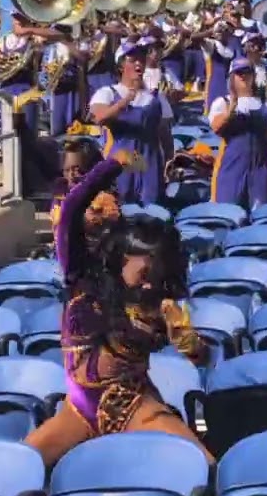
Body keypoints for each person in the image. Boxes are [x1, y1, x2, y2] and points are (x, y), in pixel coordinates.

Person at [24, 149, 215, 467]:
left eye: (156, 277)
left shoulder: (159, 303)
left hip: (133, 405)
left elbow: (206, 359)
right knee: (20, 465)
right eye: (143, 275)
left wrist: (188, 340)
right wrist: (112, 166)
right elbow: (71, 209)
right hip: (79, 411)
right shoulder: (82, 277)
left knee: (202, 464)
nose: (150, 284)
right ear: (120, 262)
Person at [89, 40, 174, 205]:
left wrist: (170, 160)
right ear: (121, 66)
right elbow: (99, 117)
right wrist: (125, 100)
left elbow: (164, 132)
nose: (138, 63)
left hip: (150, 161)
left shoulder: (156, 97)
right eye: (132, 60)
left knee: (151, 209)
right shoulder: (107, 93)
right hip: (121, 159)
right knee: (122, 205)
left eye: (141, 59)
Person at [209, 57, 267, 209]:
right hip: (232, 168)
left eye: (247, 72)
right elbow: (216, 127)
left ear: (253, 76)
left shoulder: (264, 106)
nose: (243, 76)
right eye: (238, 73)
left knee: (261, 215)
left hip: (260, 169)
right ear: (232, 77)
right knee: (230, 213)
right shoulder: (222, 102)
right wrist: (231, 110)